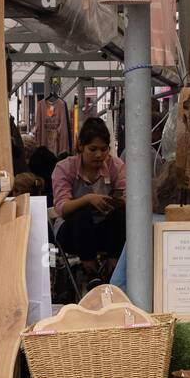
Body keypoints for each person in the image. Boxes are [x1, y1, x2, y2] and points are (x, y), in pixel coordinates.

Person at [52, 118, 126, 279]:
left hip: (105, 231)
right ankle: (90, 271)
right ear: (81, 147)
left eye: (104, 149)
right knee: (81, 216)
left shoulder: (116, 166)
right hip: (72, 232)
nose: (99, 155)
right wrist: (88, 199)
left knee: (121, 216)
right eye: (92, 149)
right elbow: (62, 208)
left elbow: (127, 197)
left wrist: (117, 201)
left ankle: (113, 267)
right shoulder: (64, 168)